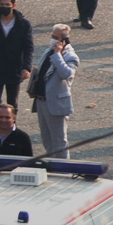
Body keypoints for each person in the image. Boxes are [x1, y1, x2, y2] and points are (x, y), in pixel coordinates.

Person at [32, 23, 78, 159]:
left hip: (55, 104)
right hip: (41, 100)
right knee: (47, 140)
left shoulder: (70, 56)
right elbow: (41, 72)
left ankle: (63, 170)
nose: (52, 39)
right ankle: (52, 166)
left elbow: (66, 73)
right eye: (52, 36)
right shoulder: (49, 50)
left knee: (59, 141)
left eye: (56, 37)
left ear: (64, 41)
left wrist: (58, 54)